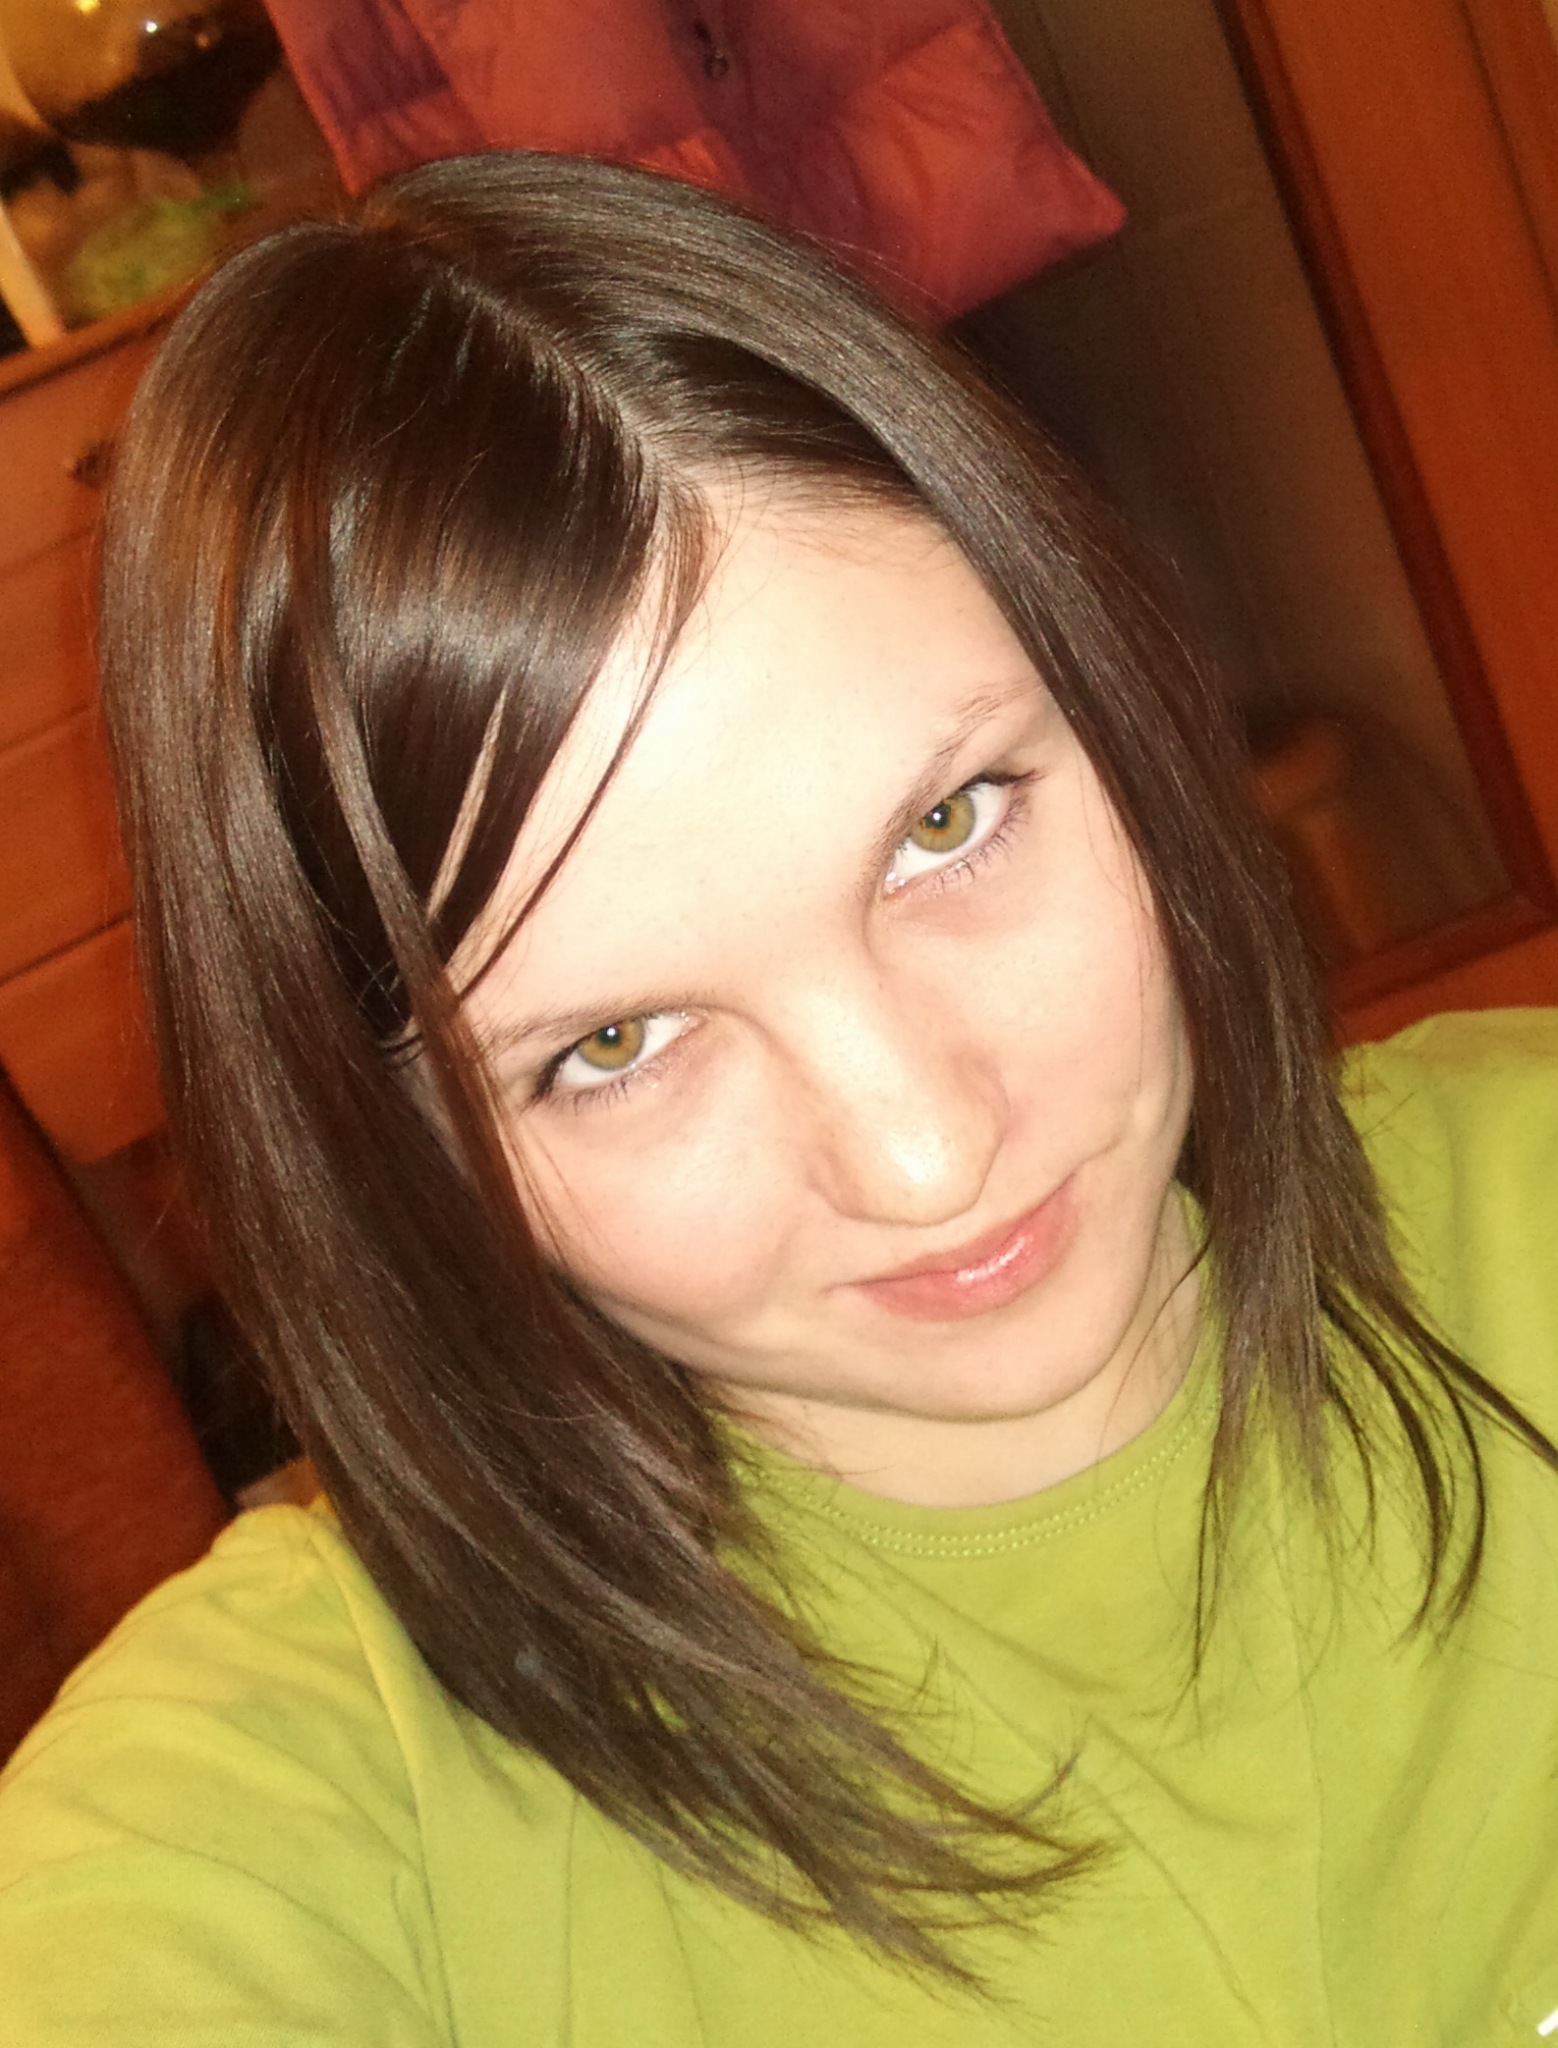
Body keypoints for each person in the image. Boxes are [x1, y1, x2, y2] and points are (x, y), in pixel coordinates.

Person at [2, 151, 1557, 2046]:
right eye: (612, 1046)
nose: (925, 1152)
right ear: (390, 1145)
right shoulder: (303, 1794)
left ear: (1111, 686)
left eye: (947, 825)